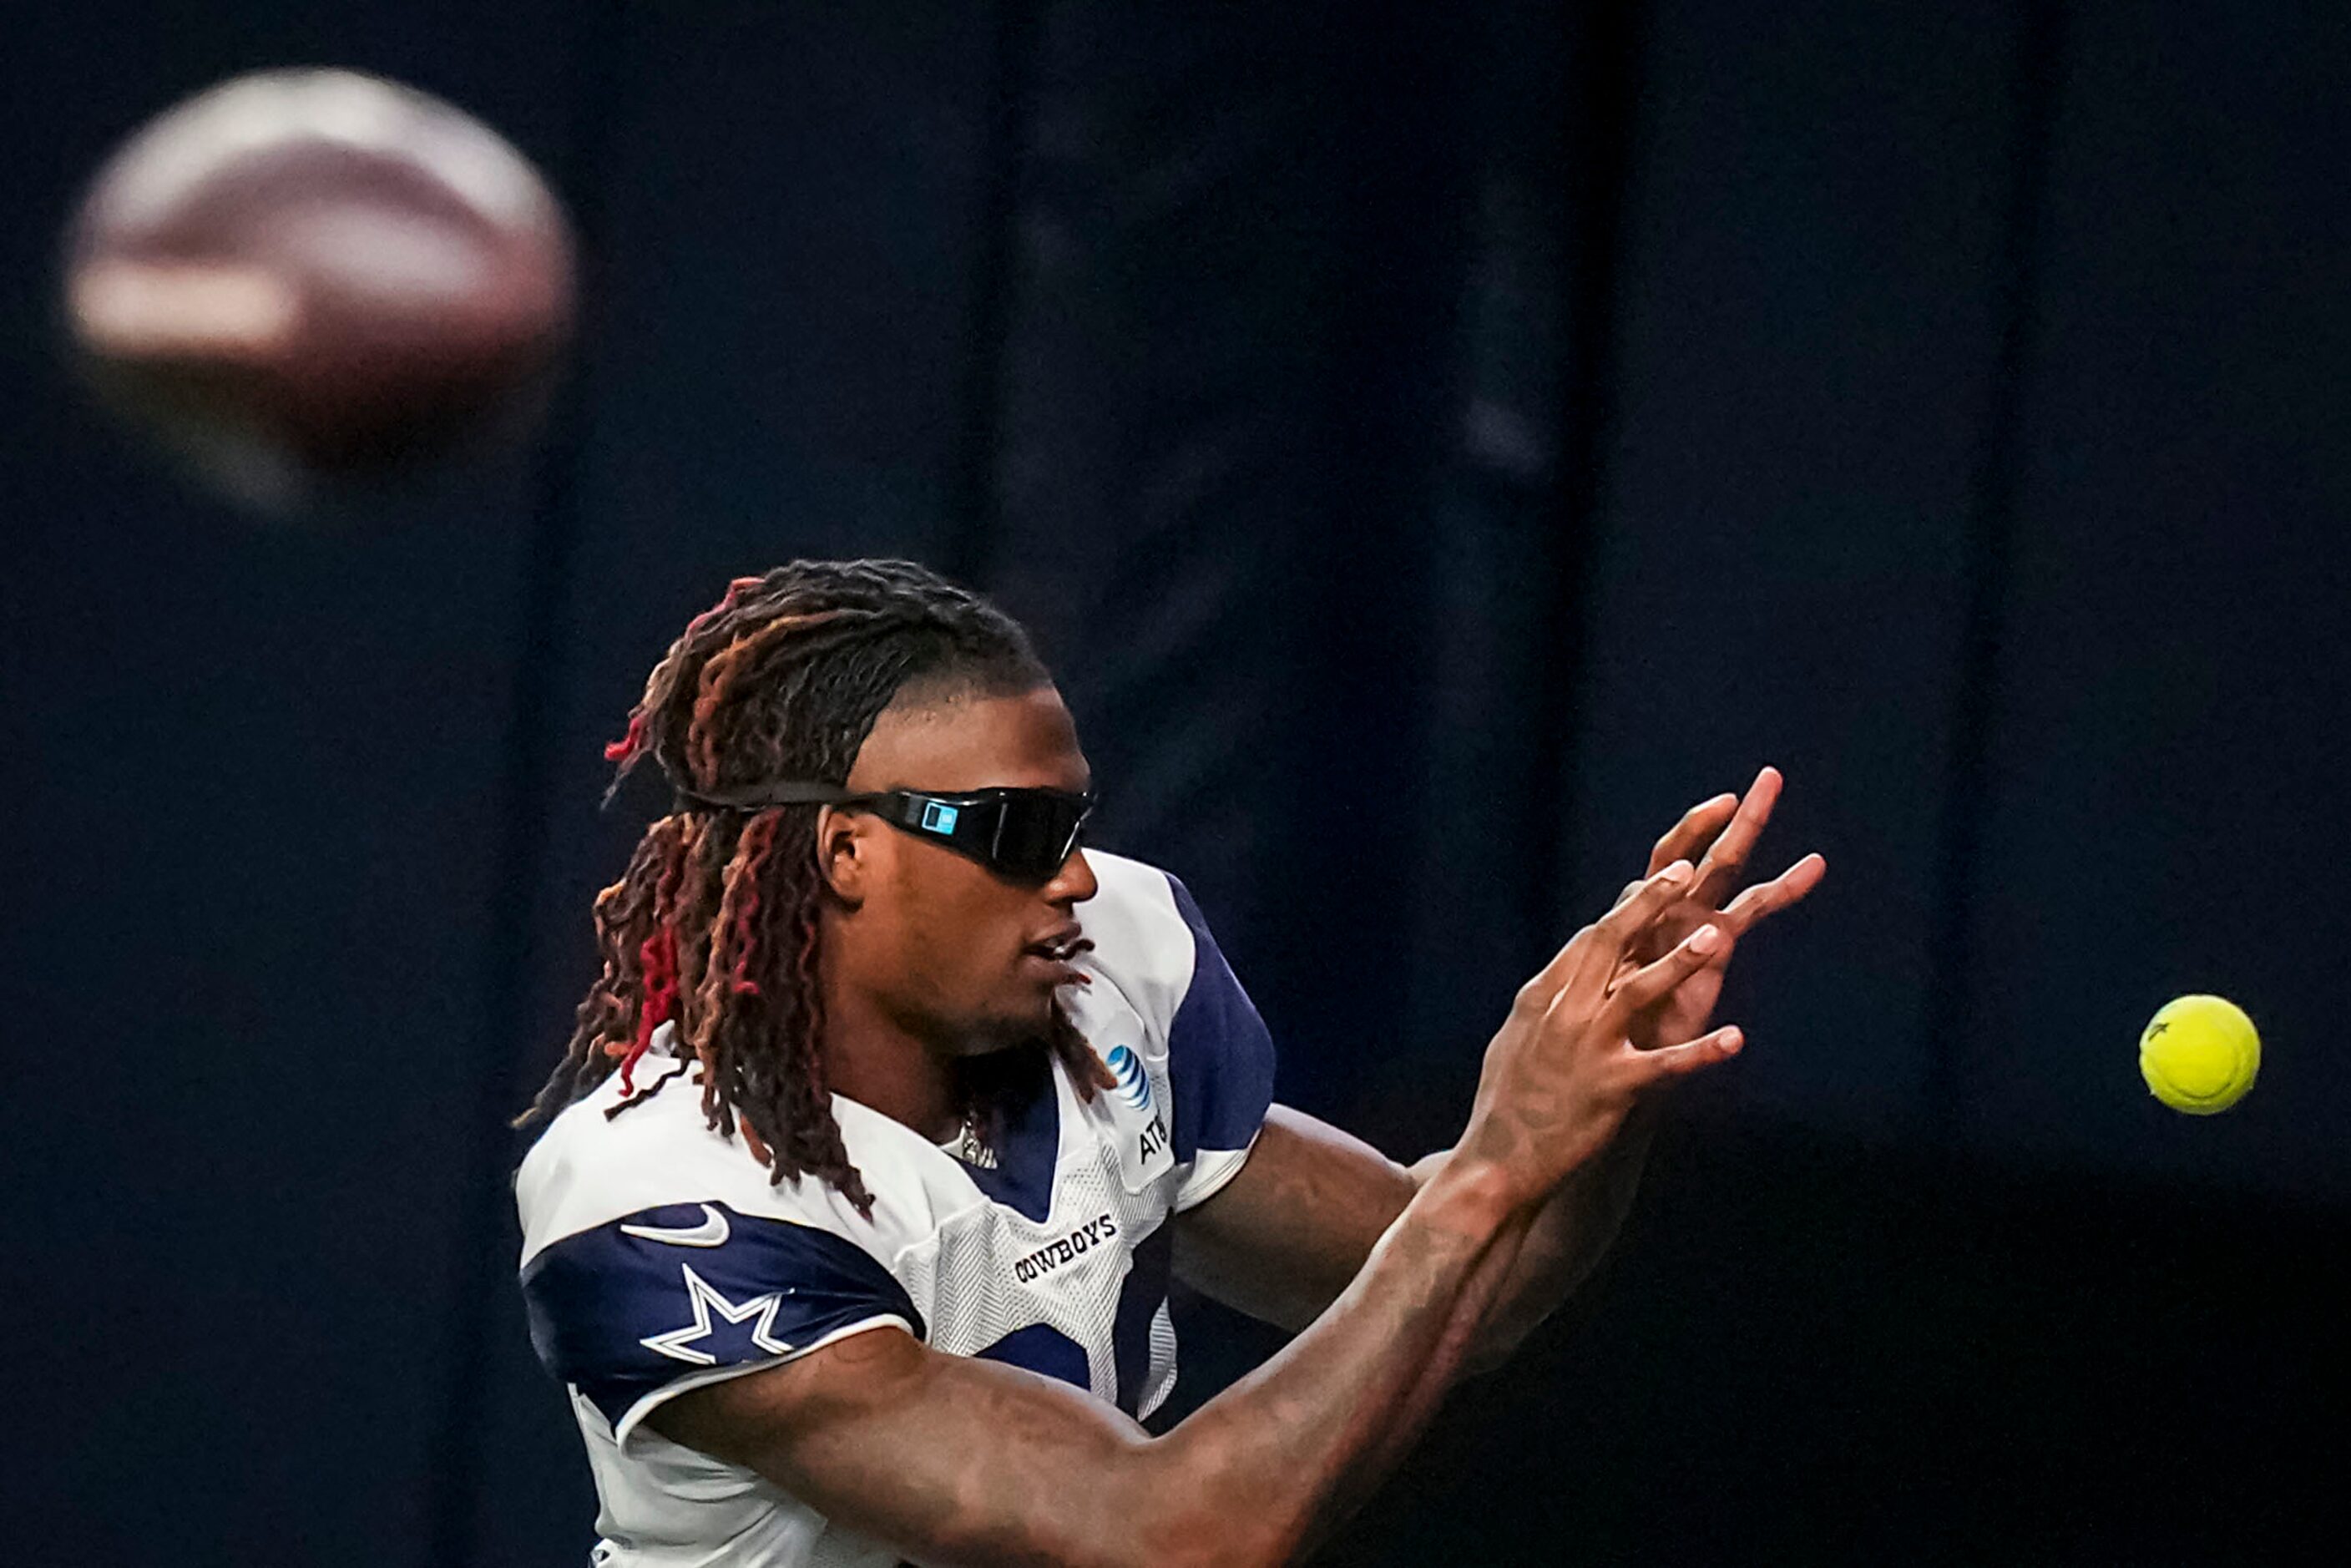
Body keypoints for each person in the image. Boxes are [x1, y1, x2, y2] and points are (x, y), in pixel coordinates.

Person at [515, 558, 1823, 1567]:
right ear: (845, 853)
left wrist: (1606, 1084)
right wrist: (1489, 1169)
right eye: (1017, 830)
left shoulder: (1110, 968)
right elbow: (1166, 1536)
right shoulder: (660, 1203)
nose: (1076, 873)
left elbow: (1481, 1286)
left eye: (1073, 820)